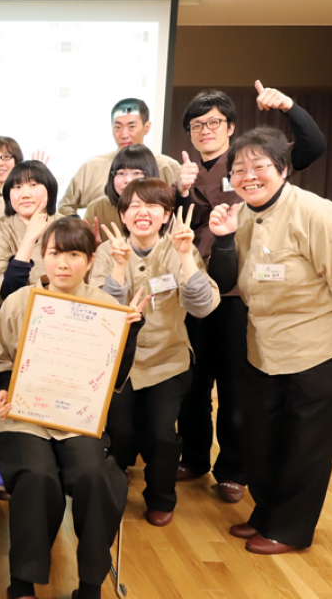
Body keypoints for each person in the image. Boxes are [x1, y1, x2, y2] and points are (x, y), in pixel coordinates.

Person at [207, 127, 332, 555]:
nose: (249, 176)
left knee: (304, 447)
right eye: (239, 169)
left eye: (259, 166)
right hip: (263, 348)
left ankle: (289, 529)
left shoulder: (316, 213)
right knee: (261, 439)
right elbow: (226, 281)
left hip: (317, 350)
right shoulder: (242, 215)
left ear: (282, 169)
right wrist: (222, 239)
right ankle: (265, 515)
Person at [174, 83, 327, 504]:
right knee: (193, 383)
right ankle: (194, 456)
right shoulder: (186, 173)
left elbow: (313, 147)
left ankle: (233, 470)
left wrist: (288, 106)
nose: (205, 130)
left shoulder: (251, 163)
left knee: (236, 387)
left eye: (214, 122)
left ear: (231, 127)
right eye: (196, 125)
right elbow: (174, 225)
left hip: (241, 296)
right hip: (195, 290)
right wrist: (180, 191)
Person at [0, 217, 145, 599]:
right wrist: (3, 389)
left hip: (77, 419)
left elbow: (113, 377)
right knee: (37, 475)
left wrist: (130, 332)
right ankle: (22, 584)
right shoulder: (19, 301)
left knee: (97, 477)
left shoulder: (107, 307)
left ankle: (90, 585)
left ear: (90, 261)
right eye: (55, 253)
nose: (63, 263)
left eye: (74, 255)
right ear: (43, 257)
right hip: (22, 416)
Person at [90, 178, 219, 527]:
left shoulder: (179, 247)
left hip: (168, 361)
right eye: (133, 206)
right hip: (119, 364)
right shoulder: (109, 250)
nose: (142, 212)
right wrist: (119, 266)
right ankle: (110, 490)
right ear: (122, 214)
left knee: (161, 433)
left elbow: (202, 306)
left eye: (152, 206)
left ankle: (161, 497)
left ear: (166, 215)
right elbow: (102, 311)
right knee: (119, 431)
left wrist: (185, 256)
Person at [57, 98, 180, 215]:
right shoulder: (93, 166)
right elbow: (65, 207)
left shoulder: (168, 167)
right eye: (118, 127)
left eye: (131, 127)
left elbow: (180, 209)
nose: (124, 134)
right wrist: (80, 227)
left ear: (146, 127)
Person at [0, 160, 60, 324]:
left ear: (50, 188)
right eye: (17, 187)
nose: (25, 194)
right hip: (10, 321)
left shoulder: (67, 226)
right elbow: (9, 291)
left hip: (58, 319)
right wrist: (30, 237)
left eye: (33, 185)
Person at [84, 143, 160, 240]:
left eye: (136, 173)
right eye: (121, 173)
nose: (127, 180)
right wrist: (94, 246)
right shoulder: (97, 208)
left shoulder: (161, 208)